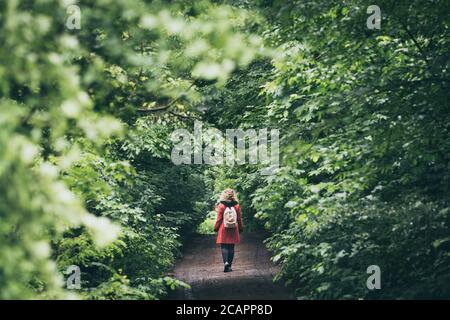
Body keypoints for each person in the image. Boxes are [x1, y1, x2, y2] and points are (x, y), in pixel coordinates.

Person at [213, 188, 244, 272]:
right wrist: (240, 227)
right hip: (234, 228)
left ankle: (226, 263)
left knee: (224, 246)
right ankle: (229, 266)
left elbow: (219, 219)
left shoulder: (221, 205)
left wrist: (216, 228)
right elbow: (239, 218)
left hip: (224, 228)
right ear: (233, 195)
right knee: (231, 247)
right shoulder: (236, 205)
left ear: (224, 195)